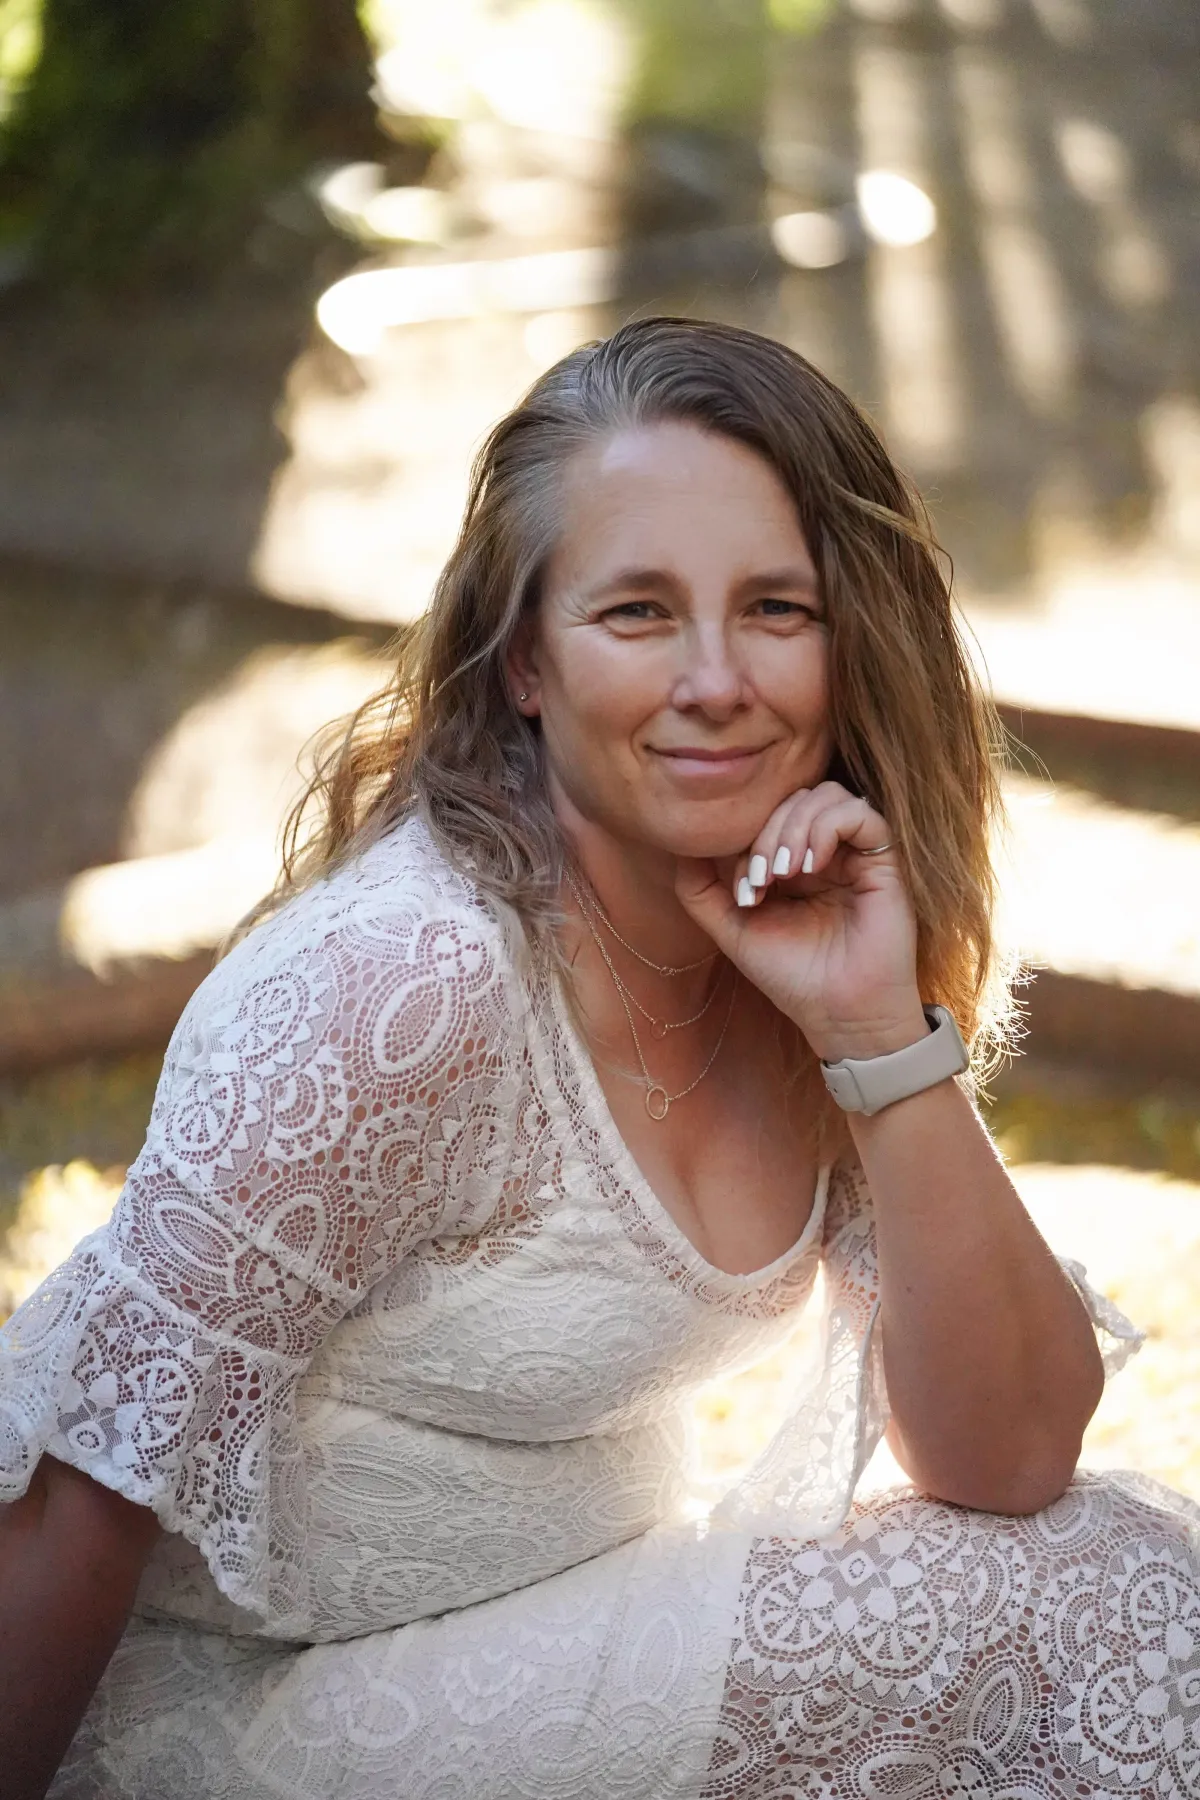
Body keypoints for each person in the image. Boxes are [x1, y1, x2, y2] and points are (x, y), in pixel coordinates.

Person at [1, 318, 1196, 1800]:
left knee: (1118, 1585)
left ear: (853, 643)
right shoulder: (402, 987)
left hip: (531, 1637)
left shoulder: (789, 938)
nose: (717, 680)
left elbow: (1008, 1457)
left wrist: (879, 1035)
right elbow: (78, 1491)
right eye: (638, 613)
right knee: (1113, 1608)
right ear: (524, 663)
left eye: (776, 608)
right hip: (236, 1712)